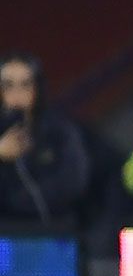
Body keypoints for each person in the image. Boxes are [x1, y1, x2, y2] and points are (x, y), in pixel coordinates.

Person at [0, 52, 90, 225]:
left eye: (25, 85)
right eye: (8, 85)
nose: (17, 94)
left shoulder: (60, 132)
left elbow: (73, 182)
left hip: (54, 229)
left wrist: (21, 201)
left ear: (37, 89)